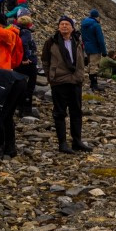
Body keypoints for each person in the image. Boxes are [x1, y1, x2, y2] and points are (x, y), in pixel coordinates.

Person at [41, 15, 93, 154]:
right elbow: (45, 61)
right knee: (59, 113)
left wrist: (81, 74)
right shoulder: (51, 42)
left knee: (76, 112)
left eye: (67, 24)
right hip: (59, 82)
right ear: (58, 27)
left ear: (72, 27)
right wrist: (51, 77)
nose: (64, 26)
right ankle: (62, 144)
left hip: (75, 80)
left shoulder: (77, 41)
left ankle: (77, 141)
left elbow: (84, 58)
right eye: (62, 24)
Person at [0, 12, 27, 159]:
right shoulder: (1, 34)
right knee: (6, 115)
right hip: (3, 76)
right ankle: (10, 148)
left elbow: (8, 38)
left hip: (3, 78)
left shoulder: (9, 34)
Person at [14, 15, 38, 118]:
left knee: (19, 85)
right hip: (28, 63)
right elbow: (24, 43)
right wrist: (25, 57)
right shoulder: (26, 32)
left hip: (17, 62)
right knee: (30, 86)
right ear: (29, 24)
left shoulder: (16, 30)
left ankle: (18, 107)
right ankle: (27, 109)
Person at [80, 9, 107, 90]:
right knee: (94, 66)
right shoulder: (96, 25)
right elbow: (100, 40)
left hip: (87, 48)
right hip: (95, 48)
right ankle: (94, 84)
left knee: (90, 65)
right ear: (97, 16)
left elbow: (83, 37)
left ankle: (91, 82)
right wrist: (104, 51)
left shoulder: (83, 24)